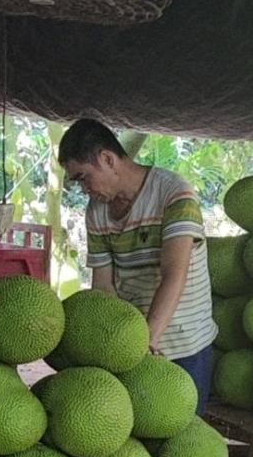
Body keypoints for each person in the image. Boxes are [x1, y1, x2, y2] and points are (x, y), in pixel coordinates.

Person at [57, 119, 216, 414]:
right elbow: (104, 285)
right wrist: (116, 343)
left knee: (178, 446)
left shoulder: (174, 194)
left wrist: (146, 341)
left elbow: (174, 274)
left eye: (83, 177)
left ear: (107, 159)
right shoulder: (97, 213)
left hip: (183, 345)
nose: (83, 189)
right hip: (131, 346)